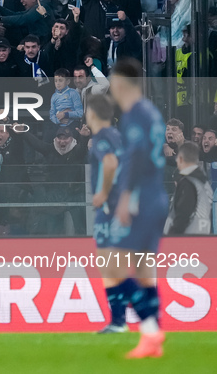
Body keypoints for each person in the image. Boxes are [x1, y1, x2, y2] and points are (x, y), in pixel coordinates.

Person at [109, 58, 169, 358]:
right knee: (145, 270)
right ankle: (151, 338)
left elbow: (136, 157)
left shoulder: (134, 115)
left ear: (120, 83)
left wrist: (125, 196)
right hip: (157, 195)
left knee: (114, 266)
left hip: (142, 199)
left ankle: (151, 328)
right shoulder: (152, 112)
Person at [85, 94, 125, 333]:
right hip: (119, 205)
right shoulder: (118, 136)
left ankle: (119, 320)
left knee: (108, 263)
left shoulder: (102, 137)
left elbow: (110, 163)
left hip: (109, 207)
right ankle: (118, 320)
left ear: (92, 113)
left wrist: (103, 192)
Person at [164, 142, 213, 235]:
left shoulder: (188, 183)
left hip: (186, 241)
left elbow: (183, 214)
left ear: (181, 159)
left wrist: (171, 235)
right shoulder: (203, 182)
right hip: (202, 238)